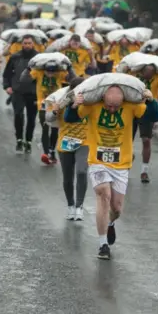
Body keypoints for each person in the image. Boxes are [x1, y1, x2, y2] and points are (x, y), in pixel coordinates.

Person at [64, 83, 158, 259]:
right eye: (109, 105)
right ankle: (103, 245)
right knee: (103, 194)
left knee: (116, 208)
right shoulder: (92, 106)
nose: (112, 109)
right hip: (98, 160)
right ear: (103, 99)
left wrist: (152, 101)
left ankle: (110, 222)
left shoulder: (131, 107)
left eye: (116, 106)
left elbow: (154, 116)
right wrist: (74, 105)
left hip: (121, 163)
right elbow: (71, 118)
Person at [45, 77, 89, 220]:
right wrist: (55, 111)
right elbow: (48, 119)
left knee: (82, 171)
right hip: (66, 141)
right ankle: (70, 205)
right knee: (68, 177)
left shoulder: (91, 100)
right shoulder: (62, 99)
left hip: (85, 141)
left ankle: (79, 206)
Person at [21, 62, 75, 164]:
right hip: (43, 104)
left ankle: (52, 150)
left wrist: (70, 67)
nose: (50, 73)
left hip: (56, 104)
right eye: (48, 71)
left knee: (55, 129)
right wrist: (28, 68)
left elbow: (72, 79)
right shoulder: (38, 72)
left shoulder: (60, 74)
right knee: (45, 127)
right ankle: (46, 153)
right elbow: (25, 80)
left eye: (52, 71)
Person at [3, 35, 39, 153]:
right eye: (25, 43)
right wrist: (7, 86)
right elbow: (7, 73)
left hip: (33, 93)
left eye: (29, 43)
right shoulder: (15, 57)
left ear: (33, 44)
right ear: (21, 44)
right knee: (18, 116)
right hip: (18, 91)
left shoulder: (38, 58)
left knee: (31, 118)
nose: (27, 45)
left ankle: (28, 141)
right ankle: (19, 139)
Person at [132, 64, 158, 183]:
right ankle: (127, 158)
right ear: (142, 70)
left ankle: (144, 171)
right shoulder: (135, 77)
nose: (149, 73)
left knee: (146, 140)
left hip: (148, 111)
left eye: (151, 71)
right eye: (146, 70)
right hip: (133, 109)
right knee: (127, 139)